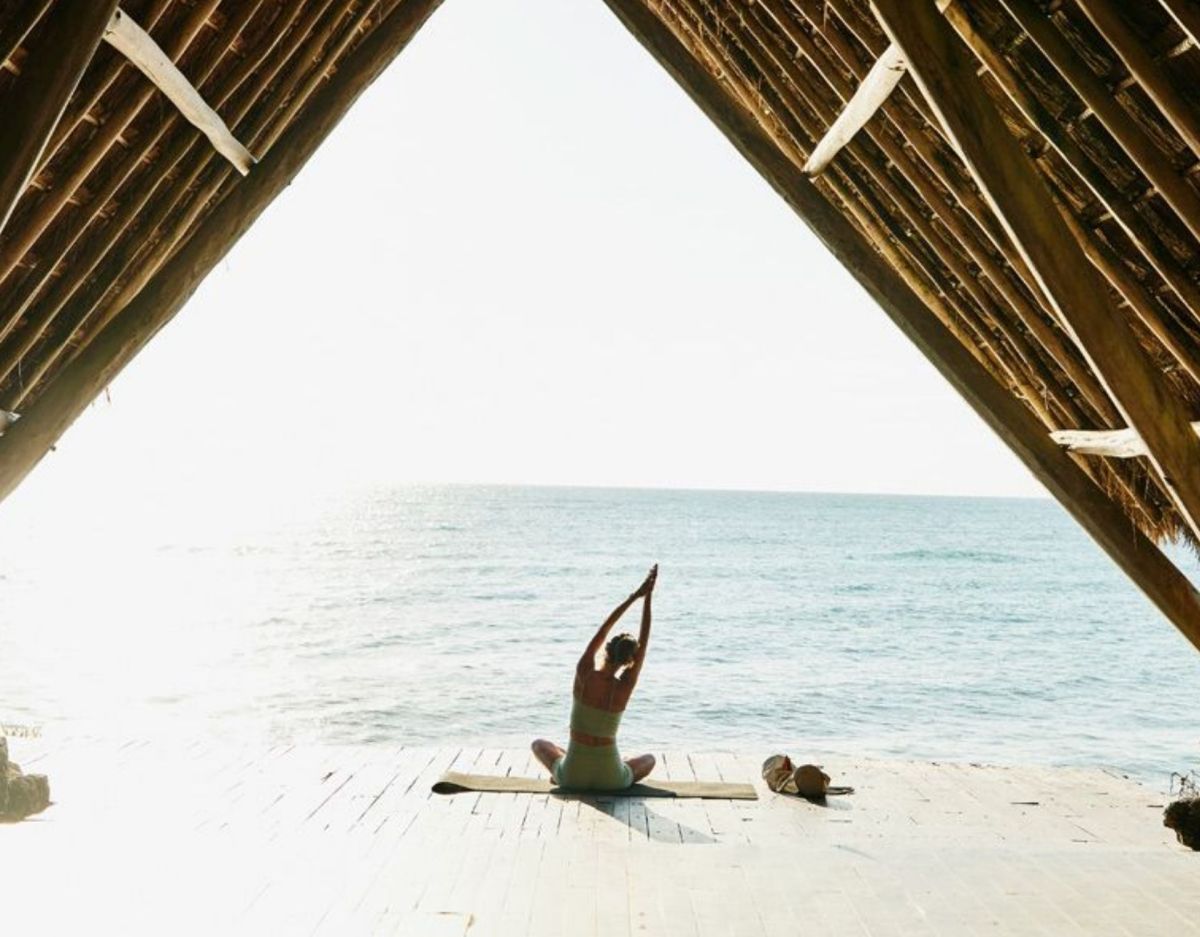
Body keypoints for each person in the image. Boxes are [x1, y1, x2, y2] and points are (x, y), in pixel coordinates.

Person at [532, 565, 658, 790]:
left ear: (607, 649)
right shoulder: (625, 686)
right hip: (612, 779)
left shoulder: (585, 674)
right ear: (630, 660)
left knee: (539, 745)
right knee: (649, 759)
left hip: (572, 776)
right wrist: (648, 599)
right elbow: (645, 640)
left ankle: (562, 769)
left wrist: (635, 596)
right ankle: (615, 765)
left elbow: (604, 628)